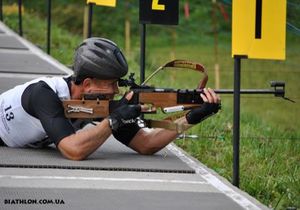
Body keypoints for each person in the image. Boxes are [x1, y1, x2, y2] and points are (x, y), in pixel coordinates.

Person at [0, 37, 221, 160]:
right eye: (111, 83)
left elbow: (147, 144)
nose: (116, 91)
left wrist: (191, 118)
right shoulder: (44, 94)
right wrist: (114, 120)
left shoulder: (94, 104)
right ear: (87, 84)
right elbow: (72, 150)